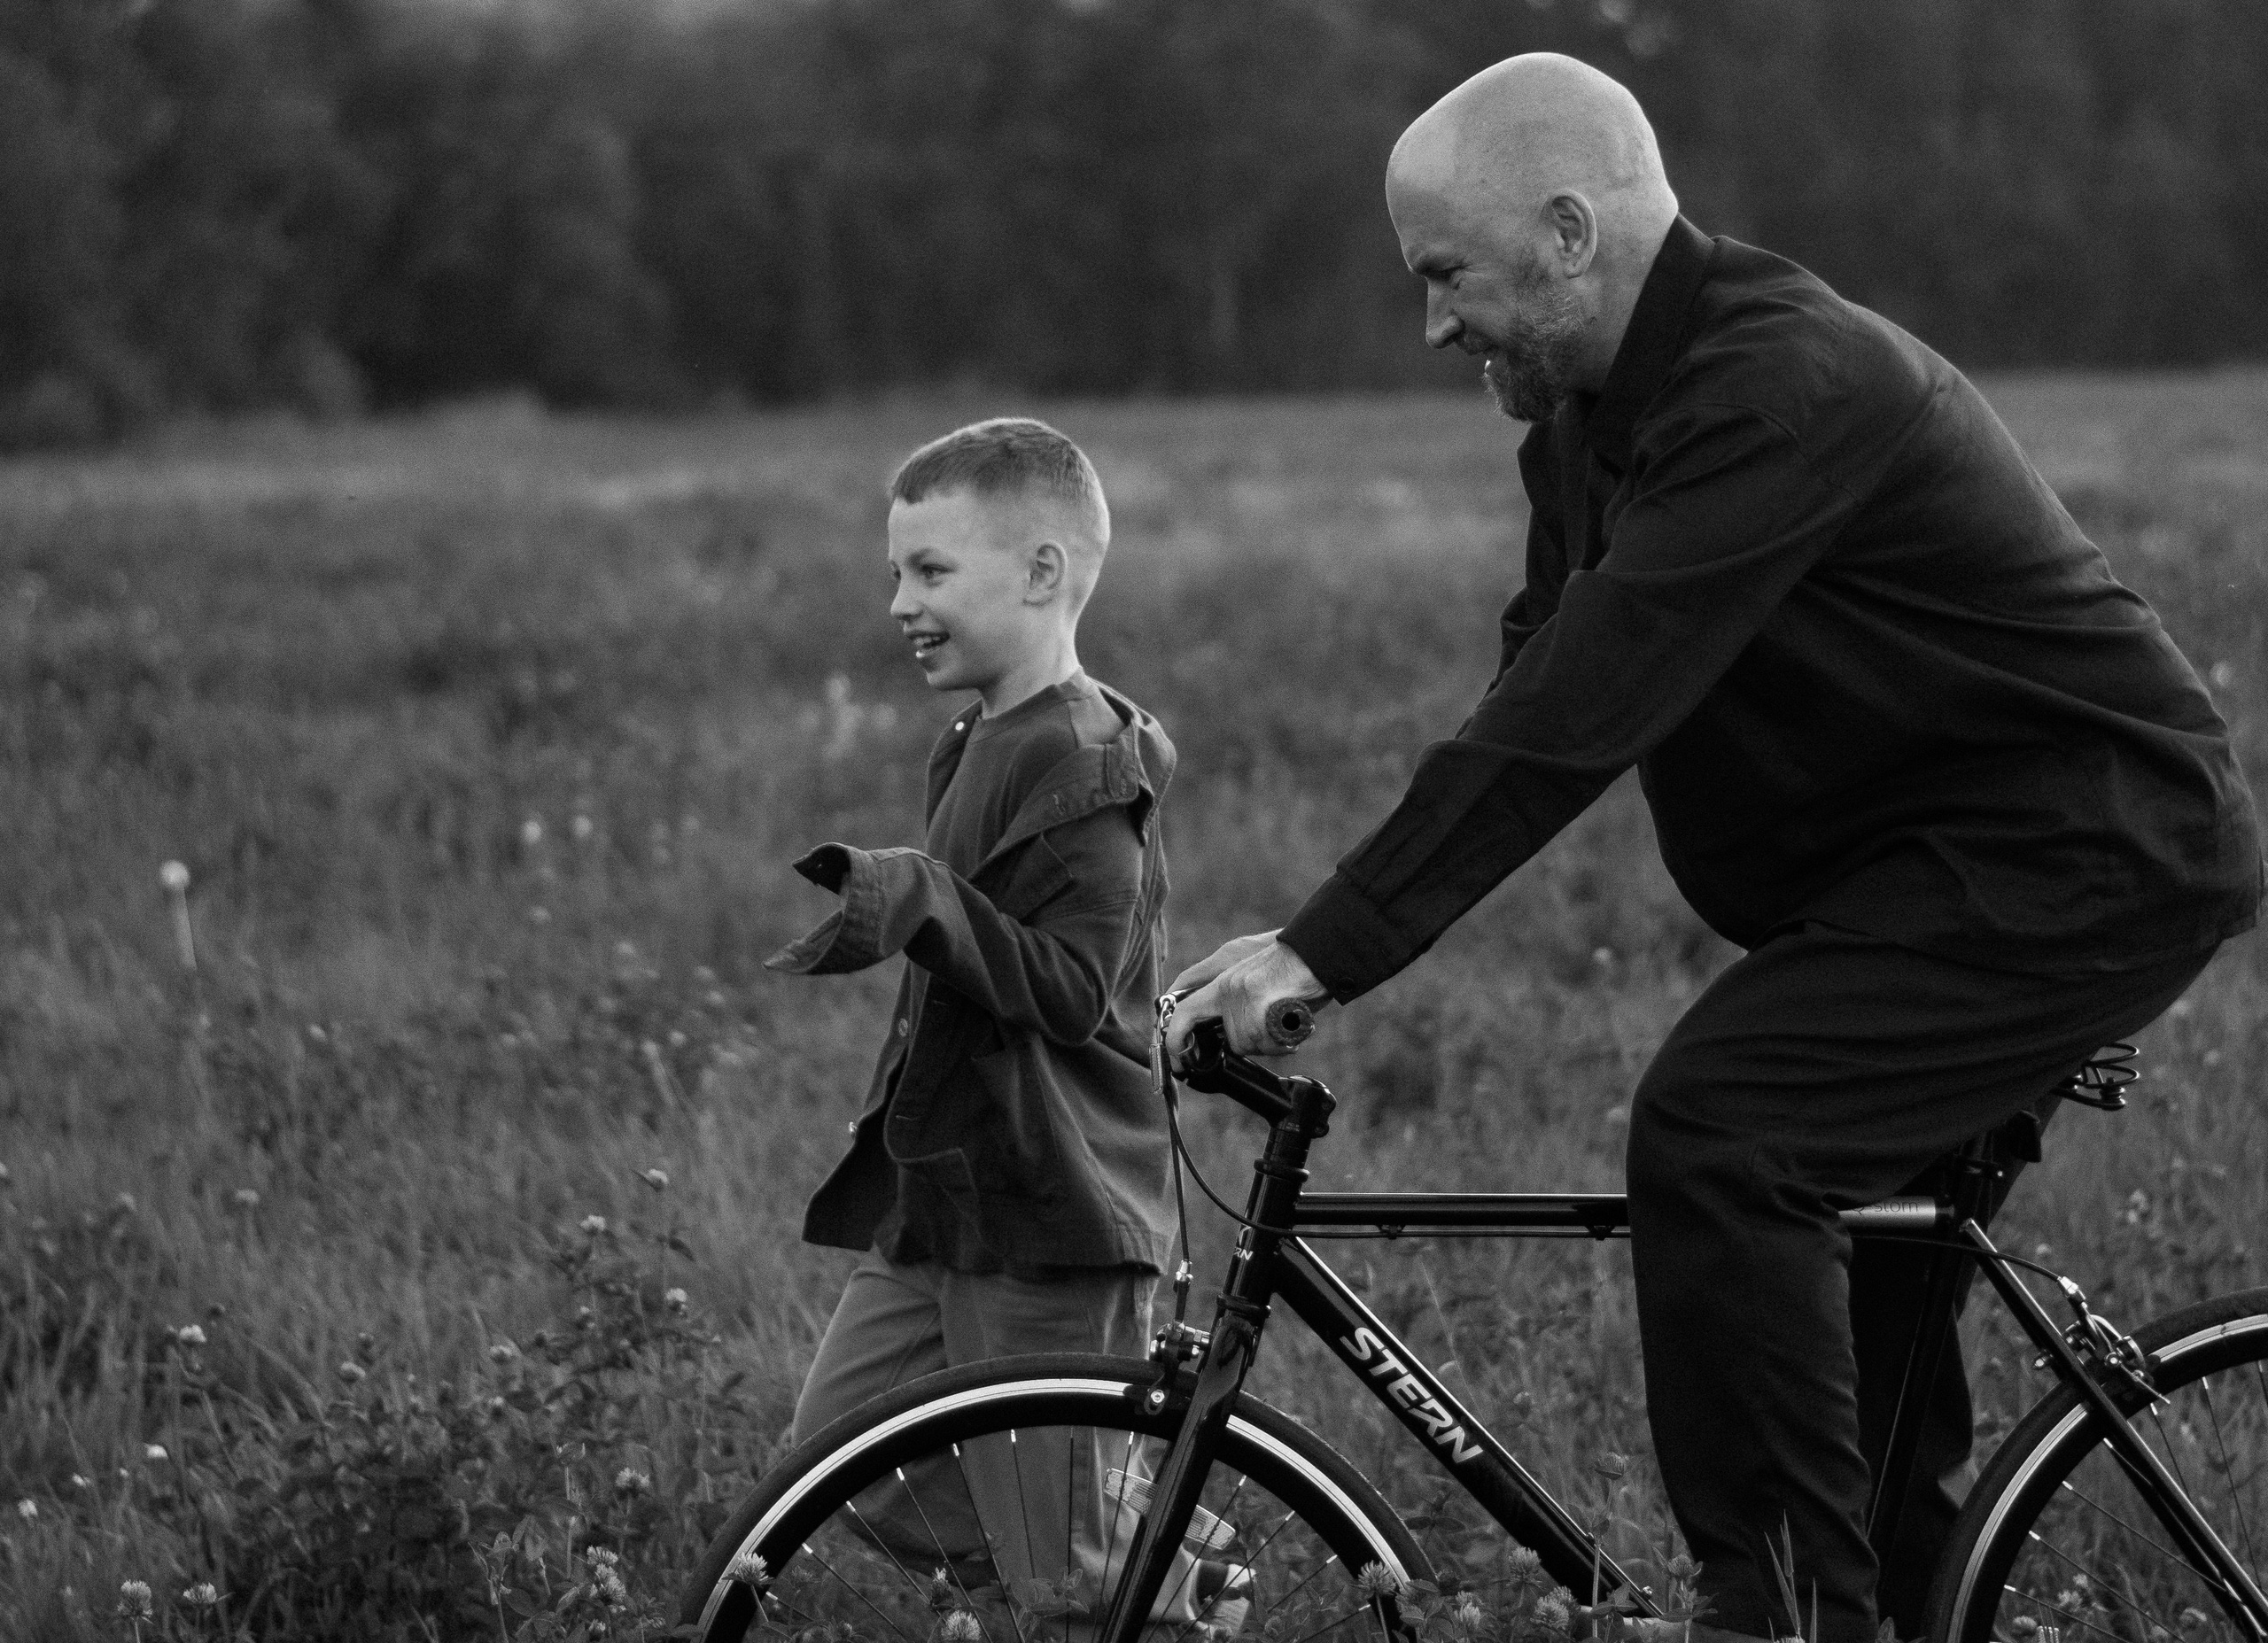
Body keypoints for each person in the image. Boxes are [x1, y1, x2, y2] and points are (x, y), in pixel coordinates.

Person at [1166, 53, 2262, 1643]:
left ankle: (1778, 1621)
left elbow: (1592, 704)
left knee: (1724, 1134)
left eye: (1444, 275)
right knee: (1859, 1329)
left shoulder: (1780, 381)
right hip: (1929, 873)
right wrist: (1319, 931)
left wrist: (1324, 949)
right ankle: (1867, 1603)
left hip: (2084, 856)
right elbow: (1540, 681)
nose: (1432, 325)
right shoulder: (1588, 424)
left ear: (1564, 233)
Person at [768, 416, 1240, 1628]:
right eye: (895, 574)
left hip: (1049, 1210)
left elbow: (1074, 989)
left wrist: (919, 899)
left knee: (1067, 1579)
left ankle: (1142, 1589)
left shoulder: (1086, 763)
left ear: (1041, 573)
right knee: (837, 1462)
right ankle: (1161, 1574)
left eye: (930, 572)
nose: (899, 604)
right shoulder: (980, 737)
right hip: (946, 1197)